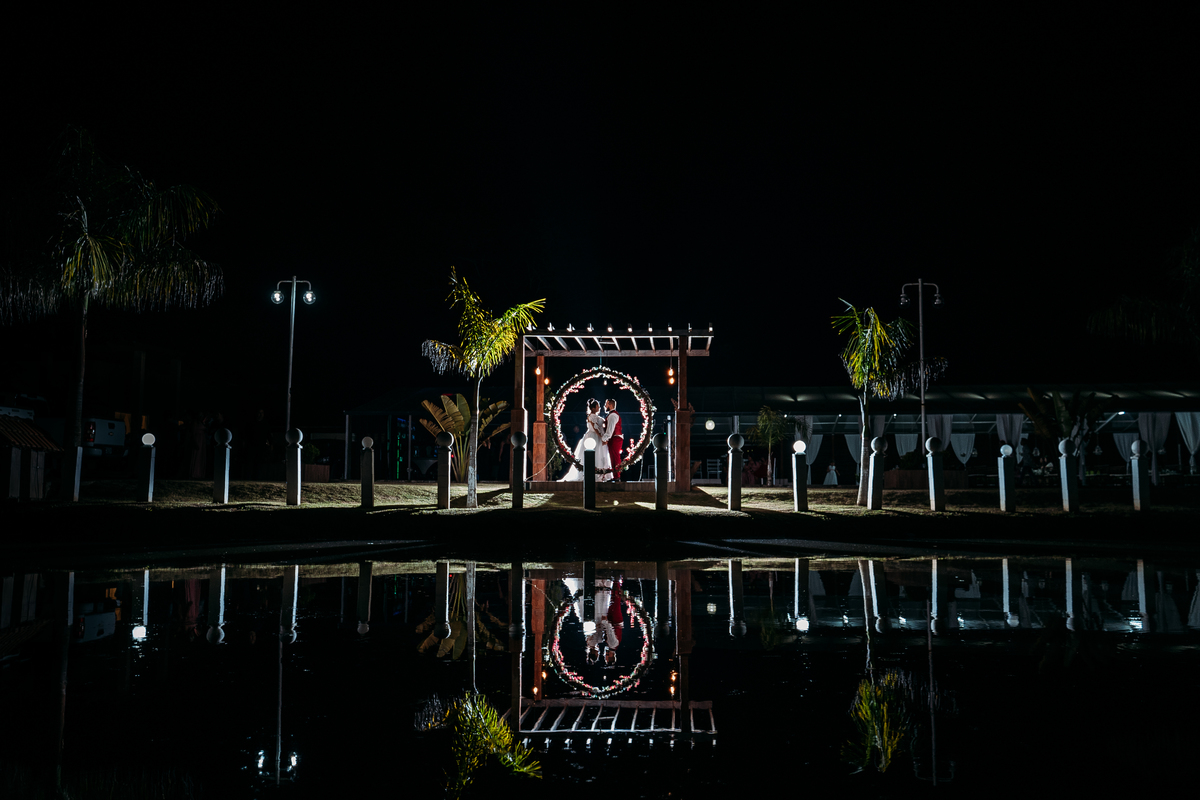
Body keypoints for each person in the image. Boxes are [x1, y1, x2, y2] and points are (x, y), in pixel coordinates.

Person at [560, 399, 612, 481]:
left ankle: (601, 474)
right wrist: (602, 437)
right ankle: (591, 474)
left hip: (598, 437)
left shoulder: (598, 417)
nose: (599, 408)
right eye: (598, 406)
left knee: (600, 454)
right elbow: (595, 428)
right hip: (593, 437)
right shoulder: (591, 416)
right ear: (594, 408)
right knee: (593, 454)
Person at [602, 398, 624, 482]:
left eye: (606, 404)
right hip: (614, 438)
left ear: (610, 405)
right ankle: (616, 476)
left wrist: (605, 438)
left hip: (615, 438)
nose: (604, 406)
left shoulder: (612, 415)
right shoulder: (612, 415)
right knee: (613, 457)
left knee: (615, 457)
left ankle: (617, 477)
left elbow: (610, 430)